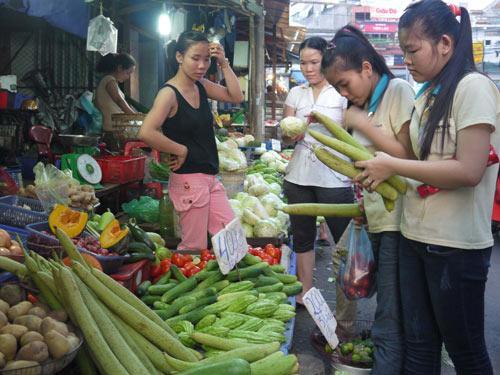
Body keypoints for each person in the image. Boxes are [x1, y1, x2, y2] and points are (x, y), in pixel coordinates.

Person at [356, 1, 499, 373]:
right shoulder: (428, 94)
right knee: (419, 347)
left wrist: (392, 165)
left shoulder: (474, 88)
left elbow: (469, 170)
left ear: (446, 44)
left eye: (413, 49)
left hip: (455, 248)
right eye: (403, 50)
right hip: (413, 237)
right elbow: (417, 161)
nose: (406, 59)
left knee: (465, 351)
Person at [321, 25, 415, 375]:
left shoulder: (399, 91)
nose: (343, 93)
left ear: (366, 67)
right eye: (336, 88)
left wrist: (363, 122)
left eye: (344, 84)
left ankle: (386, 364)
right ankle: (350, 336)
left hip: (396, 221)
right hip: (370, 214)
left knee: (389, 309)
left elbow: (407, 154)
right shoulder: (359, 105)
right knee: (344, 270)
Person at [138, 31, 244, 250]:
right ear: (179, 57)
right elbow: (146, 132)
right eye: (195, 58)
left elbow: (236, 96)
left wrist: (223, 63)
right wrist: (181, 150)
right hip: (189, 182)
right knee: (194, 248)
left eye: (206, 59)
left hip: (210, 178)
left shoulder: (201, 86)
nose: (202, 65)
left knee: (232, 241)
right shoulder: (169, 93)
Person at [282, 37, 355, 311]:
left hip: (334, 176)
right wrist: (293, 132)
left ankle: (347, 299)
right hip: (299, 175)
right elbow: (286, 136)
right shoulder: (296, 93)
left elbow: (350, 134)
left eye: (314, 62)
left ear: (325, 60)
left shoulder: (341, 93)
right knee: (302, 238)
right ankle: (305, 292)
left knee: (344, 240)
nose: (308, 68)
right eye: (303, 63)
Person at [94, 52, 137, 149]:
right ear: (120, 68)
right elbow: (119, 100)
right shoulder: (109, 80)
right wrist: (135, 116)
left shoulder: (109, 81)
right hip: (112, 131)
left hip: (114, 129)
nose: (128, 77)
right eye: (128, 73)